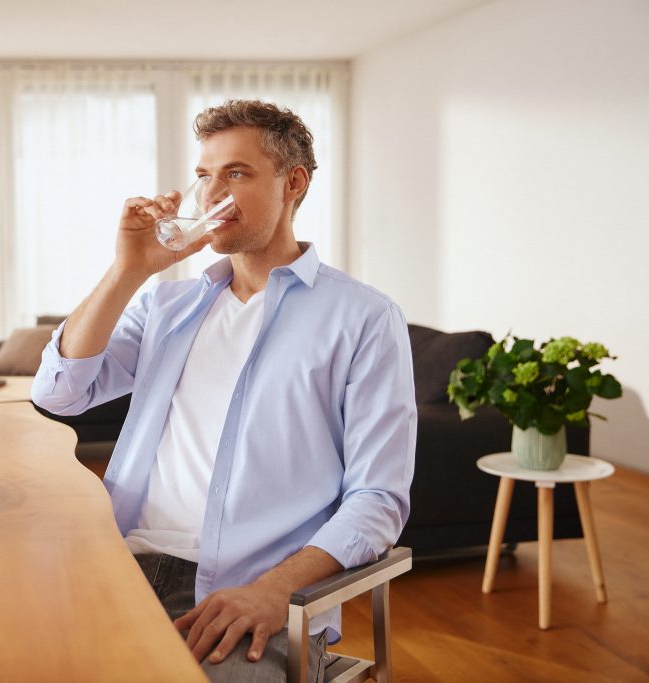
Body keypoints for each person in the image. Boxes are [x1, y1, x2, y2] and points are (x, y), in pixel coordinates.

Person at [31, 99, 416, 683]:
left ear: (294, 183)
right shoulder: (167, 305)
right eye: (205, 175)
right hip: (117, 570)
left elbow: (378, 499)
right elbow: (59, 393)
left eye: (236, 173)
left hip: (250, 596)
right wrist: (129, 270)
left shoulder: (363, 319)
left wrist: (273, 591)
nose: (212, 193)